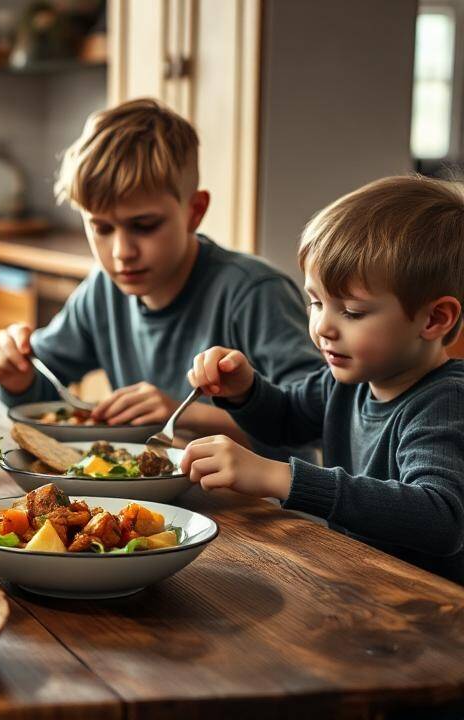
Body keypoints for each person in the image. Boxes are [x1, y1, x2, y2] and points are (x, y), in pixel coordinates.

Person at [0, 98, 322, 452]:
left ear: (195, 211)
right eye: (101, 227)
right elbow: (44, 397)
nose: (121, 252)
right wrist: (17, 377)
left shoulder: (253, 292)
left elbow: (314, 422)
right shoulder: (103, 290)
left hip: (261, 504)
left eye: (144, 226)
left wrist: (180, 414)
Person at [184, 176, 464, 583]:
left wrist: (282, 477)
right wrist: (245, 390)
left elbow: (441, 517)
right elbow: (285, 419)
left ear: (435, 319)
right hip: (359, 583)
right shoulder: (346, 381)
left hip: (430, 612)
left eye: (351, 311)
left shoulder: (446, 402)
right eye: (315, 302)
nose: (322, 327)